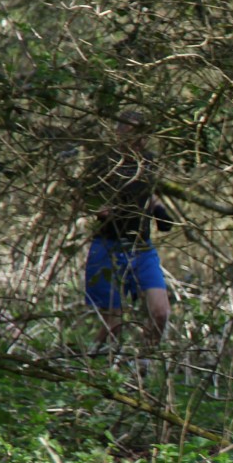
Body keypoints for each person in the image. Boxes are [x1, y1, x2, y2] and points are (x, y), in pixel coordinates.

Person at [84, 109, 175, 348]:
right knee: (112, 324)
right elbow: (85, 199)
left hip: (141, 246)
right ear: (120, 133)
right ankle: (96, 361)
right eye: (132, 132)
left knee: (161, 313)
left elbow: (150, 192)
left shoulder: (149, 162)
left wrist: (160, 211)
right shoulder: (103, 163)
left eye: (142, 134)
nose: (138, 140)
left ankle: (144, 360)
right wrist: (103, 210)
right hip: (108, 246)